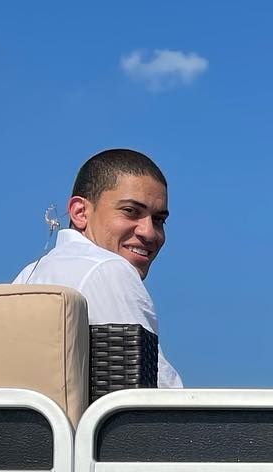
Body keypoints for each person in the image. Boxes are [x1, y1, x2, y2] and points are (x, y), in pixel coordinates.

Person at [15, 148, 182, 387]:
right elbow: (158, 398)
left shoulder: (28, 277)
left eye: (159, 220)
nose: (149, 232)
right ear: (80, 212)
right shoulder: (108, 269)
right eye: (130, 211)